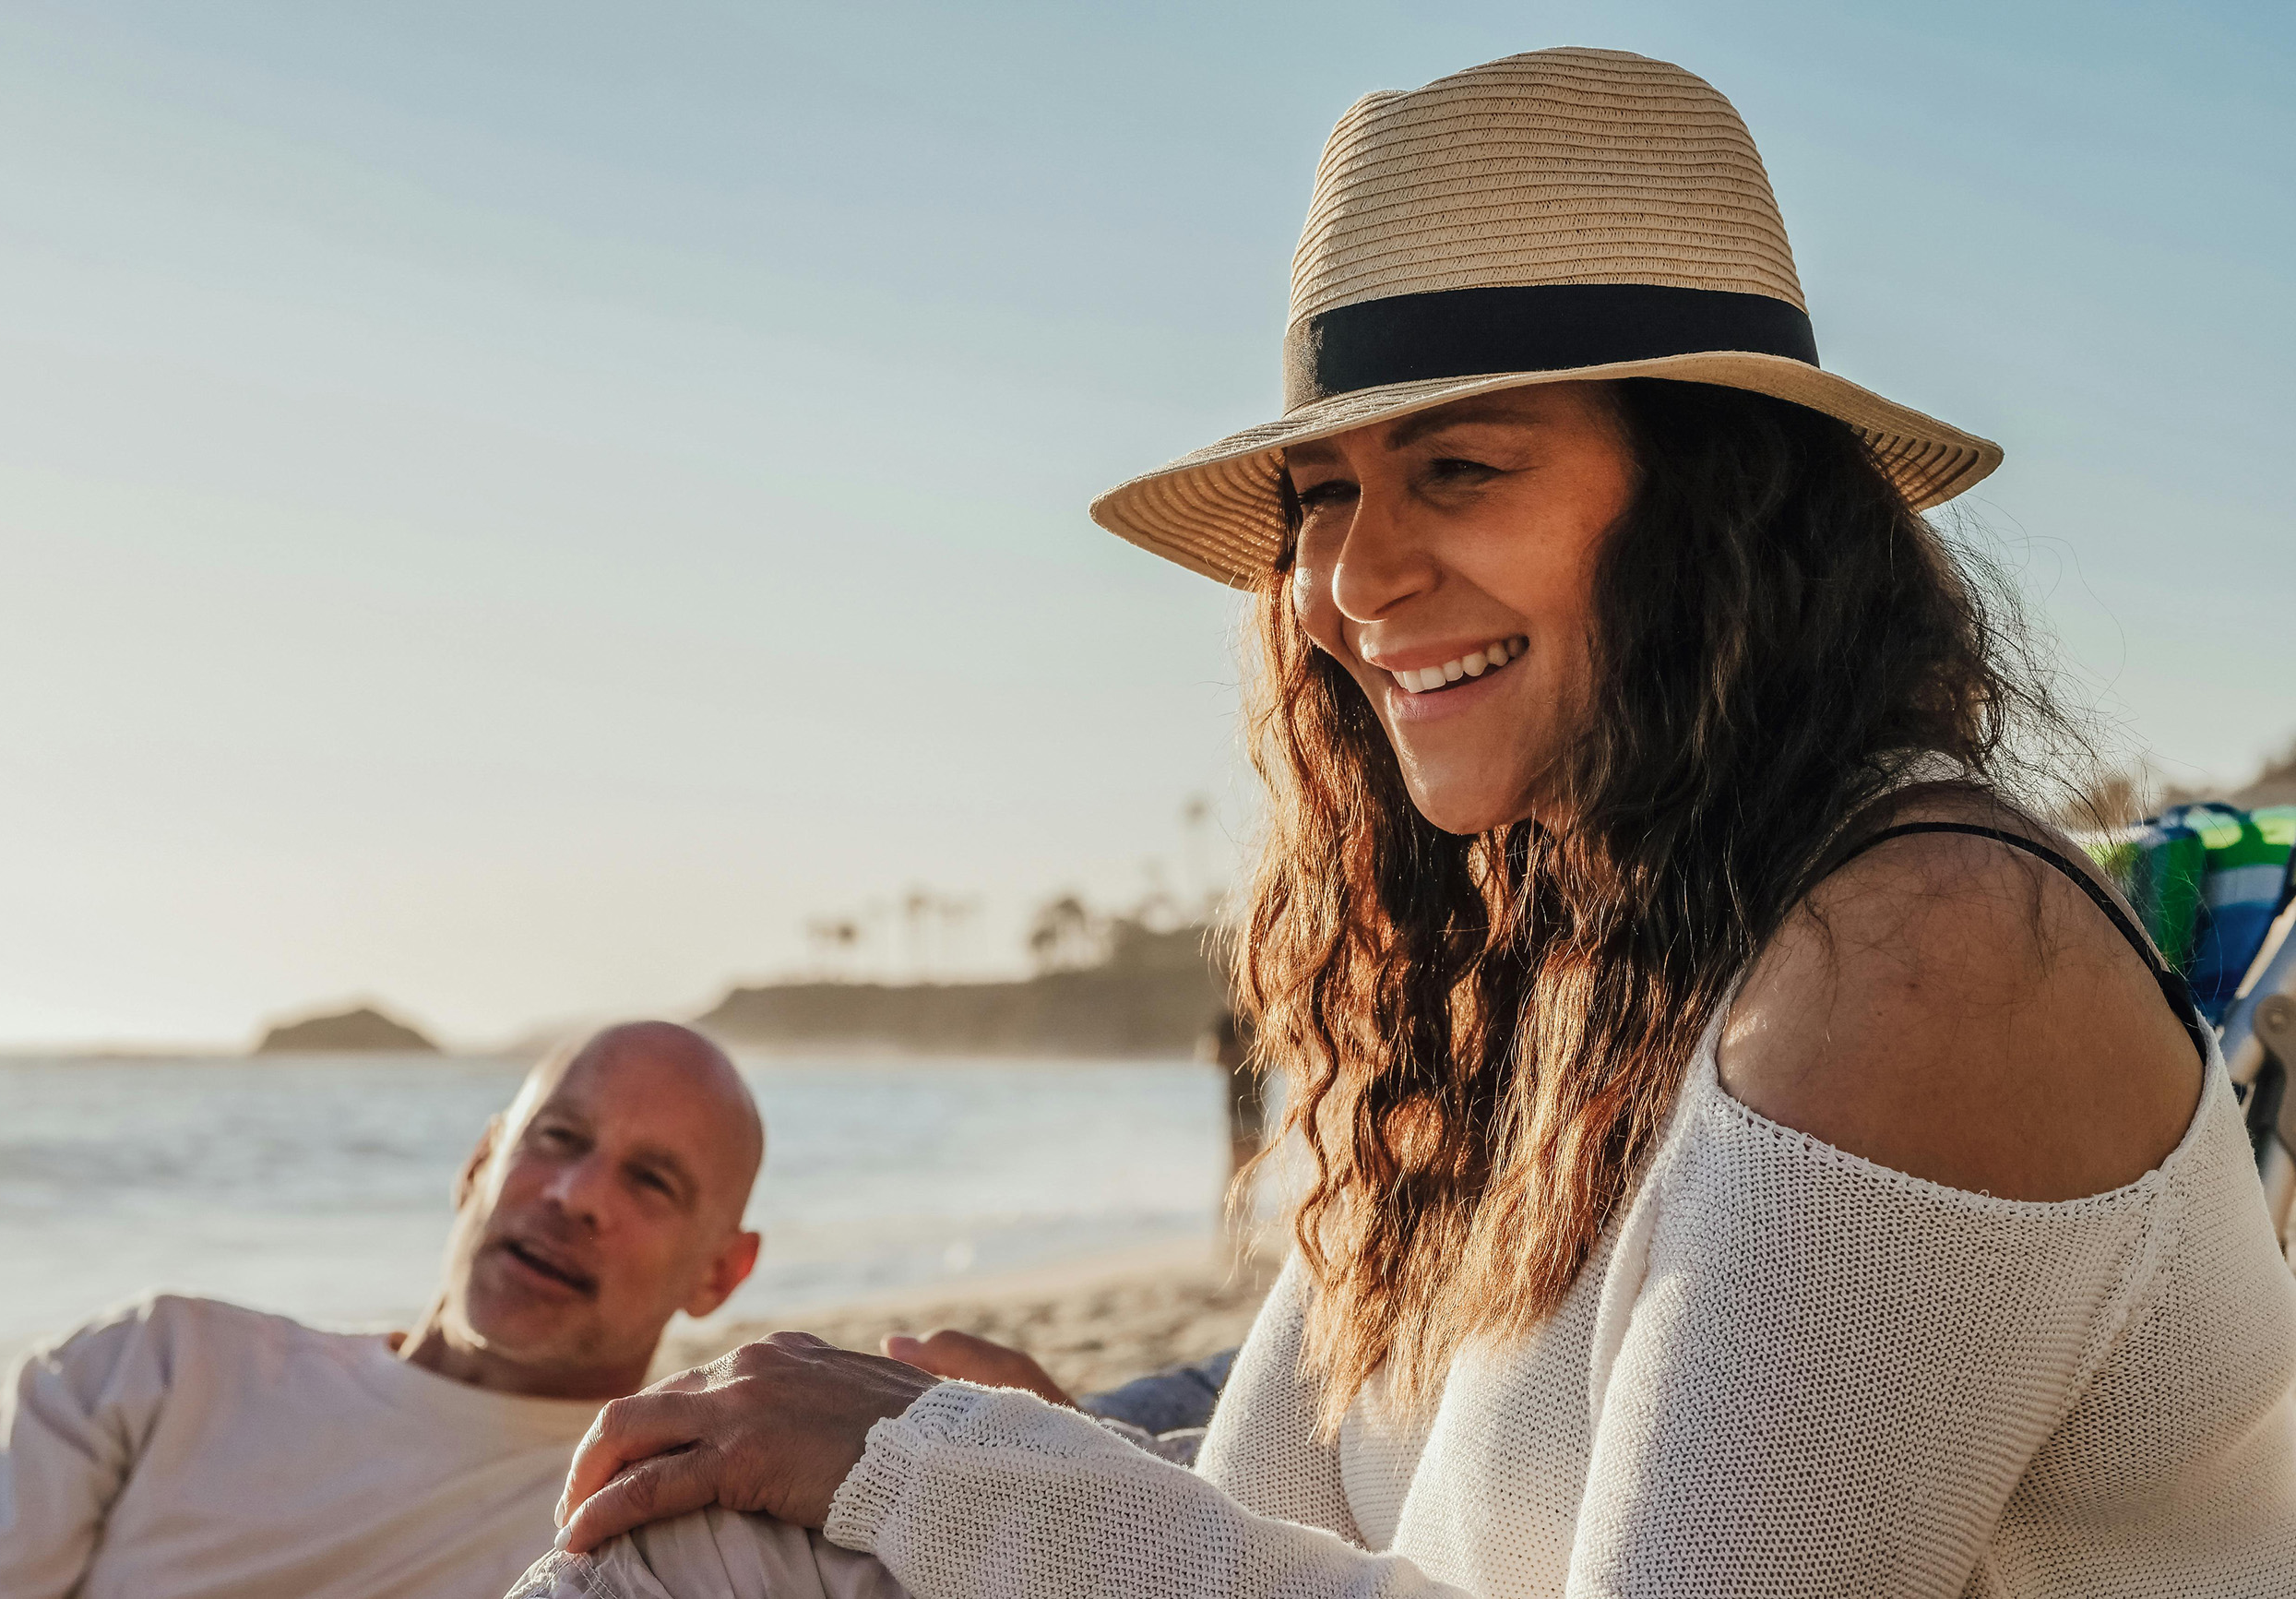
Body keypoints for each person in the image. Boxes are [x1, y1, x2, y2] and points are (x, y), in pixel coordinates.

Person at [519, 48, 2296, 1599]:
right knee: (705, 1530)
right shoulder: (1543, 958)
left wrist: (955, 1475)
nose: (1352, 579)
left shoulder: (1921, 959)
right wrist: (987, 1456)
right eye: (1320, 496)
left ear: (1717, 502)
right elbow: (1265, 1518)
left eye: (1461, 466)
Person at [0, 1021, 767, 1599]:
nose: (577, 1195)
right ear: (479, 1163)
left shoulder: (667, 1529)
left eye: (651, 1180)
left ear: (721, 1274)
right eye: (558, 1138)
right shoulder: (160, 1365)